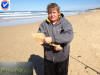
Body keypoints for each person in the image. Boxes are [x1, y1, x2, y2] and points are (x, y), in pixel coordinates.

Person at [38, 3, 74, 75]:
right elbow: (39, 39)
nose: (52, 15)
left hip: (62, 57)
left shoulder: (65, 22)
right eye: (50, 13)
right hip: (48, 57)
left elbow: (69, 35)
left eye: (54, 12)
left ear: (58, 13)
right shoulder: (43, 24)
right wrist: (52, 46)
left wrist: (59, 44)